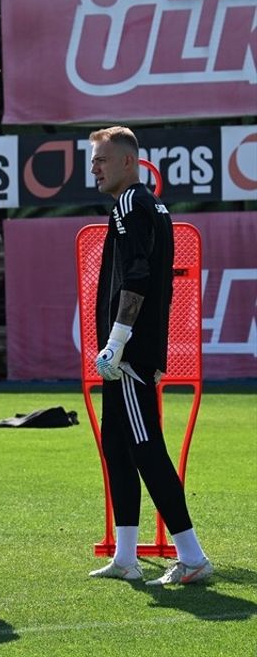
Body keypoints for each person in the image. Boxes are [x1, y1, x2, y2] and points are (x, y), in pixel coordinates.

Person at [86, 126, 212, 585]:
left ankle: (192, 556)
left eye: (100, 159)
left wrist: (117, 342)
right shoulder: (151, 204)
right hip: (130, 351)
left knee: (146, 448)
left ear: (126, 162)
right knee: (118, 447)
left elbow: (137, 276)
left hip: (129, 355)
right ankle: (125, 557)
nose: (93, 168)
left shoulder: (128, 204)